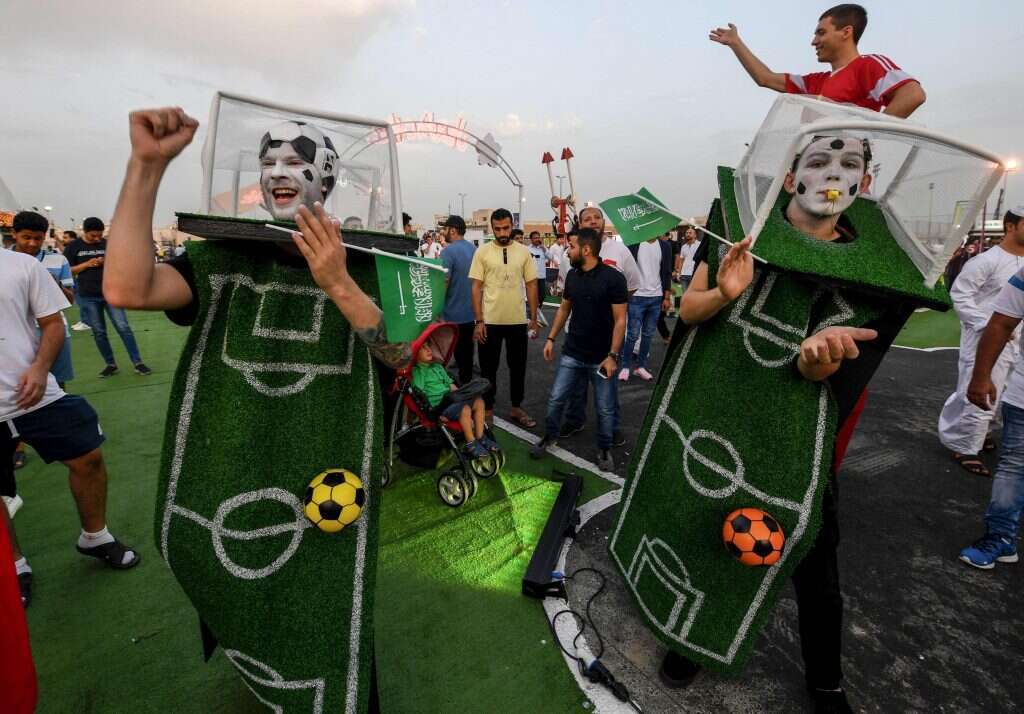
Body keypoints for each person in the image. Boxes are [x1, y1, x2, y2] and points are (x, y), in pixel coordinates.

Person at [104, 106, 397, 713]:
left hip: (333, 478)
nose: (278, 173)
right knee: (240, 586)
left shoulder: (376, 264)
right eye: (268, 163)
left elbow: (409, 359)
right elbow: (127, 288)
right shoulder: (221, 258)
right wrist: (146, 167)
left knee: (330, 608)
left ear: (328, 175)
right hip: (235, 471)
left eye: (295, 161)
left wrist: (338, 282)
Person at [647, 135, 913, 714]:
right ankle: (689, 641)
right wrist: (723, 290)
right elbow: (687, 313)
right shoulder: (740, 229)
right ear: (791, 177)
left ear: (866, 184)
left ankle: (826, 680)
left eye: (849, 165)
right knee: (705, 529)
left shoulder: (881, 272)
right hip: (719, 413)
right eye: (817, 161)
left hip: (804, 440)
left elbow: (840, 381)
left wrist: (816, 359)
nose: (832, 174)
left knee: (816, 562)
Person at [1, 245, 141, 609]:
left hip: (34, 392)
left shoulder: (21, 265)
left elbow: (52, 324)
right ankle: (14, 565)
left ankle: (95, 536)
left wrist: (39, 368)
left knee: (88, 457)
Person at [710, 3, 926, 118]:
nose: (814, 41)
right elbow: (765, 78)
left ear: (846, 32)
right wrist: (736, 43)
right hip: (813, 171)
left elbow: (912, 95)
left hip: (841, 179)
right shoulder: (815, 82)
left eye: (821, 33)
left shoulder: (868, 65)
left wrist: (867, 138)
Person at [530, 229, 627, 471]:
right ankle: (550, 436)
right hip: (573, 352)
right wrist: (551, 338)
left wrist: (612, 356)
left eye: (571, 246)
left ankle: (604, 448)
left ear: (586, 250)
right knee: (556, 399)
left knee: (604, 408)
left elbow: (621, 321)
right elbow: (564, 309)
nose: (567, 250)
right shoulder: (572, 275)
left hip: (602, 358)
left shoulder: (614, 279)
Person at [938, 208, 1024, 477]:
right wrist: (987, 325)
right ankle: (965, 447)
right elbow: (961, 296)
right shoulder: (986, 261)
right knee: (978, 391)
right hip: (984, 341)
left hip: (1016, 344)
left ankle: (981, 434)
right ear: (1010, 226)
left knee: (1006, 392)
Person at [961, 217, 1024, 569]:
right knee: (1014, 467)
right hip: (1022, 392)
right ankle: (1001, 537)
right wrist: (980, 377)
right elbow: (1001, 323)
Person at [559, 206, 639, 443]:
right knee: (576, 384)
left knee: (608, 384)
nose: (593, 221)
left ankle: (611, 427)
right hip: (577, 333)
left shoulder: (620, 251)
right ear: (580, 224)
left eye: (597, 217)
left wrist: (613, 306)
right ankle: (575, 420)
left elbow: (633, 284)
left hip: (607, 335)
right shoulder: (569, 254)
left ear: (604, 222)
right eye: (587, 218)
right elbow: (567, 293)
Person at [469, 208, 539, 428]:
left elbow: (531, 284)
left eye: (506, 228)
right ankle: (487, 411)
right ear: (492, 228)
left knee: (518, 367)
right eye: (497, 228)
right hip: (489, 322)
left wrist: (534, 318)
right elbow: (476, 287)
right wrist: (479, 321)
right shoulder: (482, 252)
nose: (502, 232)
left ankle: (517, 408)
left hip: (517, 321)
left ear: (512, 226)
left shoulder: (523, 252)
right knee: (488, 369)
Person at [64, 217, 152, 377]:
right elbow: (68, 270)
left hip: (112, 293)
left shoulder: (107, 244)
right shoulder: (73, 247)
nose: (97, 239)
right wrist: (87, 264)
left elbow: (122, 265)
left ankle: (138, 362)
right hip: (88, 296)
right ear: (84, 232)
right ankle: (110, 364)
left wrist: (108, 262)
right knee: (99, 331)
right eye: (93, 236)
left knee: (123, 327)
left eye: (100, 235)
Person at [12, 211, 75, 389]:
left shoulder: (58, 260)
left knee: (57, 385)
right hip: (16, 333)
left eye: (38, 238)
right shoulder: (4, 261)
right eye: (26, 237)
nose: (32, 243)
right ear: (14, 234)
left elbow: (70, 301)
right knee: (19, 385)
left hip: (53, 331)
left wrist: (55, 284)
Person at [412, 341, 490, 458]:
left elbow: (452, 387)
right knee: (465, 409)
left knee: (478, 401)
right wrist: (433, 412)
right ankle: (471, 443)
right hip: (439, 407)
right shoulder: (417, 372)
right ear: (415, 354)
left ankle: (480, 436)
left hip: (452, 401)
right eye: (423, 348)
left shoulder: (437, 366)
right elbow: (419, 393)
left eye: (429, 347)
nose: (429, 350)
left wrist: (463, 396)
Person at [620, 234, 673, 381]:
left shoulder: (665, 247)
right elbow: (626, 270)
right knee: (632, 334)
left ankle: (640, 367)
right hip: (637, 296)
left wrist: (666, 297)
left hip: (656, 297)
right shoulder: (634, 244)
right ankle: (625, 367)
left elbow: (667, 272)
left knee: (648, 335)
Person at [439, 215, 477, 384]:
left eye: (445, 229)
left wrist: (437, 309)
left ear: (452, 230)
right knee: (467, 353)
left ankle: (458, 389)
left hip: (452, 315)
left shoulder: (447, 252)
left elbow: (444, 282)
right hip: (472, 313)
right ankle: (467, 382)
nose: (443, 231)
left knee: (449, 353)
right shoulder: (474, 250)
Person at [527, 231, 549, 301]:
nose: (537, 239)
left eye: (538, 237)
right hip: (532, 276)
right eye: (535, 238)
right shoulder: (527, 249)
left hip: (542, 276)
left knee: (542, 295)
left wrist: (544, 249)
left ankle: (538, 308)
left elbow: (551, 257)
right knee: (533, 295)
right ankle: (533, 310)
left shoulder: (543, 248)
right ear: (531, 239)